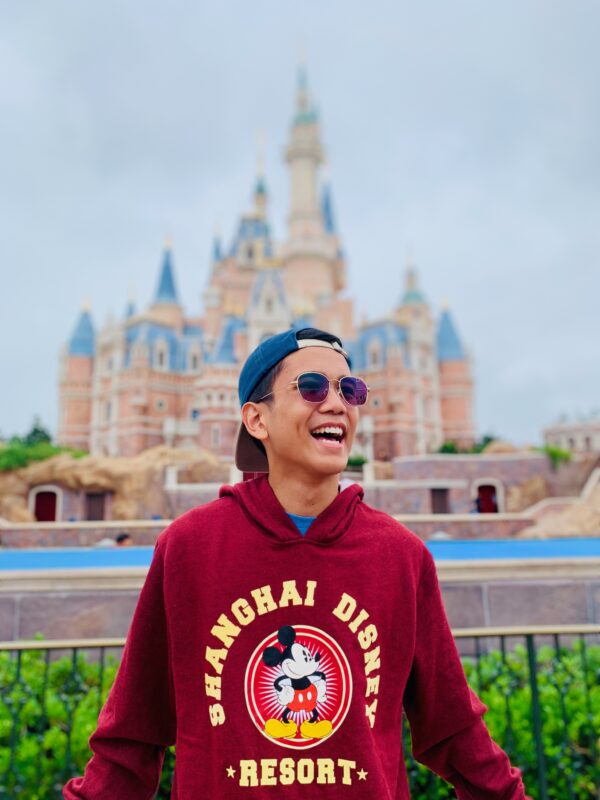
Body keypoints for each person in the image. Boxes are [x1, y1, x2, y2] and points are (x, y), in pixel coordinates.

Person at [64, 327, 530, 799]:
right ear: (256, 419)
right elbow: (130, 741)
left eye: (350, 390)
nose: (336, 404)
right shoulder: (189, 548)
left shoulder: (401, 556)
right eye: (312, 387)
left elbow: (456, 733)